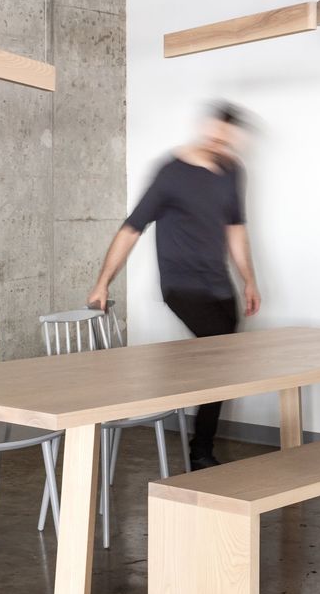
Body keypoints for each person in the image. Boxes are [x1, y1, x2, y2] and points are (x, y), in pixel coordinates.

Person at [88, 102, 261, 470]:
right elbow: (132, 228)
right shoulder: (171, 173)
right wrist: (103, 282)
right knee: (219, 355)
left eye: (227, 137)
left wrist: (249, 280)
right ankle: (199, 453)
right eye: (215, 133)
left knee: (224, 365)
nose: (219, 142)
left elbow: (235, 230)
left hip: (220, 284)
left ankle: (201, 445)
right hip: (181, 284)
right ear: (204, 128)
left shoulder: (233, 171)